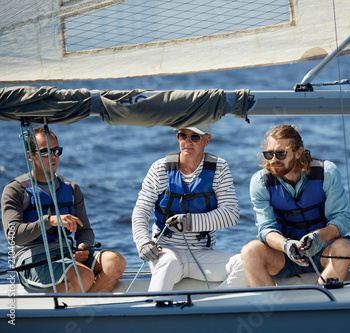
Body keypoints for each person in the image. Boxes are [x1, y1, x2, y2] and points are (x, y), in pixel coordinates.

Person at [1, 126, 126, 293]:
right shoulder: (16, 190)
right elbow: (13, 235)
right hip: (32, 261)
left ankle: (88, 312)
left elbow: (85, 230)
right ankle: (64, 311)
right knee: (83, 276)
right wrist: (50, 220)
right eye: (45, 152)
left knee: (115, 261)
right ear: (30, 156)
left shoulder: (72, 188)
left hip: (67, 256)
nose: (53, 157)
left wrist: (84, 246)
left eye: (56, 151)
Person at [132, 124, 246, 291]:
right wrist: (143, 243)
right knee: (167, 263)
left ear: (207, 140)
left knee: (246, 264)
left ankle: (212, 307)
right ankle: (155, 310)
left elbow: (231, 214)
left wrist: (190, 222)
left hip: (202, 254)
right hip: (165, 251)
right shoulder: (159, 168)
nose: (187, 142)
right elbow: (140, 211)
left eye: (195, 137)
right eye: (182, 135)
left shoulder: (219, 168)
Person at [241, 124, 350, 286]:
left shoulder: (327, 172)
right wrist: (286, 245)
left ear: (298, 152)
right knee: (250, 251)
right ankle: (272, 307)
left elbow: (342, 219)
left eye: (280, 153)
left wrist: (317, 237)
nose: (274, 160)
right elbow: (265, 229)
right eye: (269, 154)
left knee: (344, 248)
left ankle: (321, 301)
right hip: (283, 255)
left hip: (322, 252)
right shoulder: (260, 182)